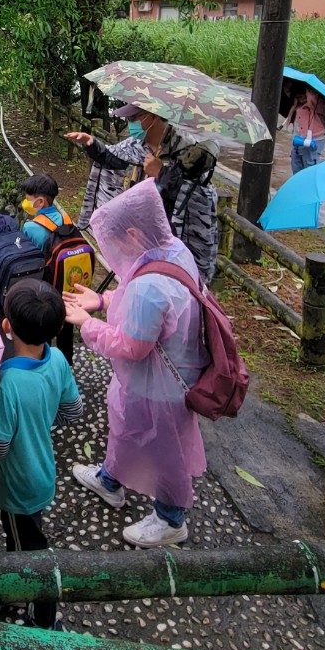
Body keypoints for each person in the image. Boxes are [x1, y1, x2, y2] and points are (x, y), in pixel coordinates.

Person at [62, 178, 209, 547]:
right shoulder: (172, 250)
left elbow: (131, 346)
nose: (110, 250)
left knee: (165, 448)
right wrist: (105, 300)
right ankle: (110, 480)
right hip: (162, 373)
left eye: (111, 241)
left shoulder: (150, 287)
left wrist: (88, 324)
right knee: (126, 426)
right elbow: (138, 296)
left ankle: (171, 520)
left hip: (162, 384)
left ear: (132, 233)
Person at [0, 279, 84, 629]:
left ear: (6, 326)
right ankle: (14, 587)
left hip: (17, 483)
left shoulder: (8, 383)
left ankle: (43, 617)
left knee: (31, 549)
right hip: (42, 469)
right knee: (23, 538)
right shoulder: (57, 361)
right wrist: (40, 415)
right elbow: (72, 412)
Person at [65, 103, 183, 227]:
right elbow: (112, 158)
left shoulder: (184, 151)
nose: (130, 124)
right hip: (136, 224)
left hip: (168, 228)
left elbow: (191, 195)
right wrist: (90, 143)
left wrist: (161, 173)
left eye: (132, 119)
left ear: (152, 116)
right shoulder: (136, 144)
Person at [19, 172, 78, 365]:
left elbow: (28, 259)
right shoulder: (66, 218)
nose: (25, 202)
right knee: (66, 326)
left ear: (41, 202)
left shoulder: (32, 227)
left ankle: (43, 363)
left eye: (28, 199)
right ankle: (66, 365)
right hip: (68, 285)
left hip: (45, 287)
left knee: (43, 325)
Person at [157, 140, 220, 284]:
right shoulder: (207, 189)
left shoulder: (194, 189)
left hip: (185, 264)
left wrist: (160, 172)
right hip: (195, 263)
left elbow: (169, 188)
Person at [285, 81, 325, 173]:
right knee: (296, 167)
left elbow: (313, 99)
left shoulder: (317, 105)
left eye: (302, 96)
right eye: (298, 97)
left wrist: (308, 92)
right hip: (298, 141)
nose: (301, 99)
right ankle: (299, 185)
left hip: (313, 140)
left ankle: (308, 186)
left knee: (309, 168)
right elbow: (287, 91)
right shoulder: (296, 105)